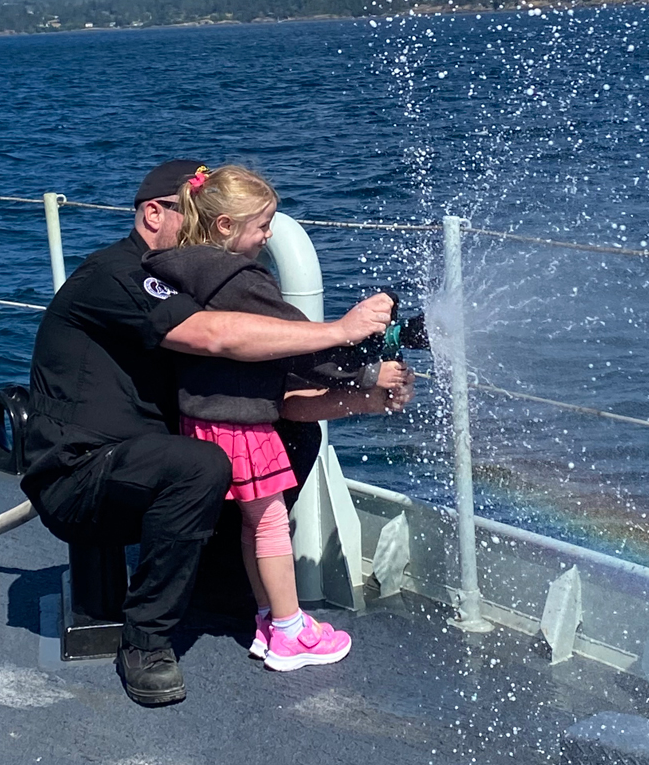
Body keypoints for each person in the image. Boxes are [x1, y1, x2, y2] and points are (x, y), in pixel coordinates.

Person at [21, 158, 396, 706]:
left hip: (146, 459)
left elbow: (272, 395)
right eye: (191, 209)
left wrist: (362, 392)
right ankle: (146, 640)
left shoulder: (190, 278)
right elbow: (216, 336)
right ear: (155, 213)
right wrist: (340, 330)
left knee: (287, 443)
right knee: (200, 464)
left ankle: (225, 587)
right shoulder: (123, 276)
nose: (201, 222)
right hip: (80, 474)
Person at [144, 165, 414, 671]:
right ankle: (291, 631)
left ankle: (268, 619)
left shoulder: (176, 266)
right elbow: (294, 343)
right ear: (226, 226)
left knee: (252, 525)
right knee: (271, 525)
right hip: (244, 425)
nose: (270, 234)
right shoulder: (239, 279)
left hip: (202, 419)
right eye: (263, 225)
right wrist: (365, 368)